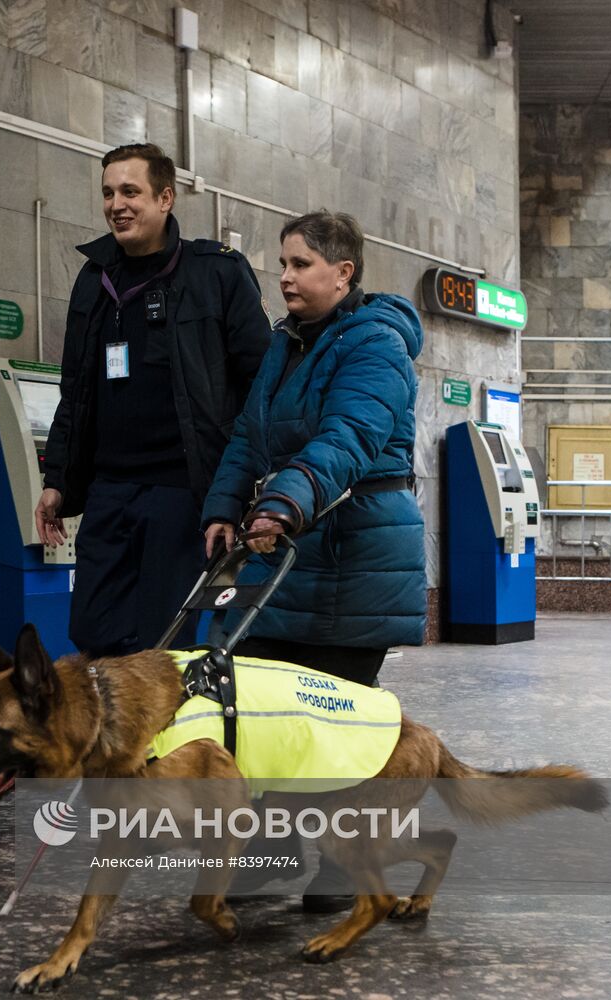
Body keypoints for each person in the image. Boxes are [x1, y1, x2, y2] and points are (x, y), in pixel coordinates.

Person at [201, 209, 426, 908]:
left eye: (299, 264)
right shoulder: (288, 341)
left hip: (355, 559)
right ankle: (268, 854)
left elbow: (347, 439)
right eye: (282, 263)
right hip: (291, 550)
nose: (284, 276)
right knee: (266, 715)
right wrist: (222, 506)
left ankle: (345, 867)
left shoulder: (376, 345)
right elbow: (249, 434)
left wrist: (282, 504)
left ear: (343, 271)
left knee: (337, 728)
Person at [37, 143, 272, 657]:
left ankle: (169, 738)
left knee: (165, 641)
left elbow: (262, 387)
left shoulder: (217, 273)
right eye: (107, 193)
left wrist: (237, 494)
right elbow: (75, 391)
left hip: (181, 492)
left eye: (130, 191)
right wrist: (58, 479)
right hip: (110, 490)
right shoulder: (94, 280)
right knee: (94, 629)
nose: (116, 204)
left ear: (166, 198)